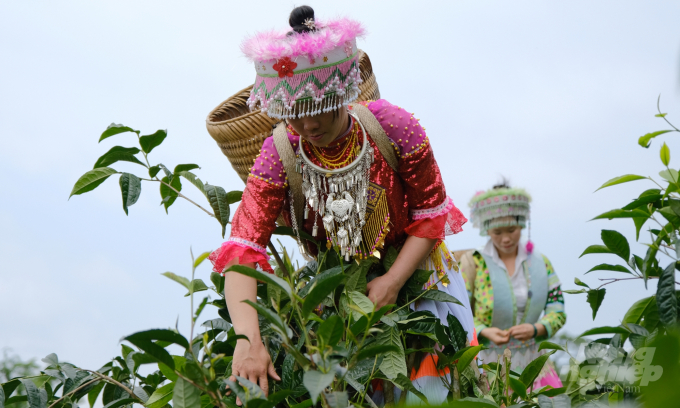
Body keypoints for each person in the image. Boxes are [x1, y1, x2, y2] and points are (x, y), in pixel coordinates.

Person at [209, 5, 475, 403]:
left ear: (342, 92)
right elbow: (244, 249)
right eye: (293, 115)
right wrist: (248, 339)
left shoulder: (392, 127)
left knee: (432, 396)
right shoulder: (278, 155)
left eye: (317, 109)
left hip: (419, 282)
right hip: (337, 300)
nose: (308, 125)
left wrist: (392, 282)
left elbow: (430, 215)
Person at [459, 182, 565, 389]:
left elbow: (557, 307)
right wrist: (483, 331)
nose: (506, 238)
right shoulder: (473, 262)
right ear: (486, 229)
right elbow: (458, 312)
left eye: (512, 230)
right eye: (497, 232)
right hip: (487, 364)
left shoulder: (541, 263)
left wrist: (537, 328)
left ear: (522, 224)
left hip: (534, 362)